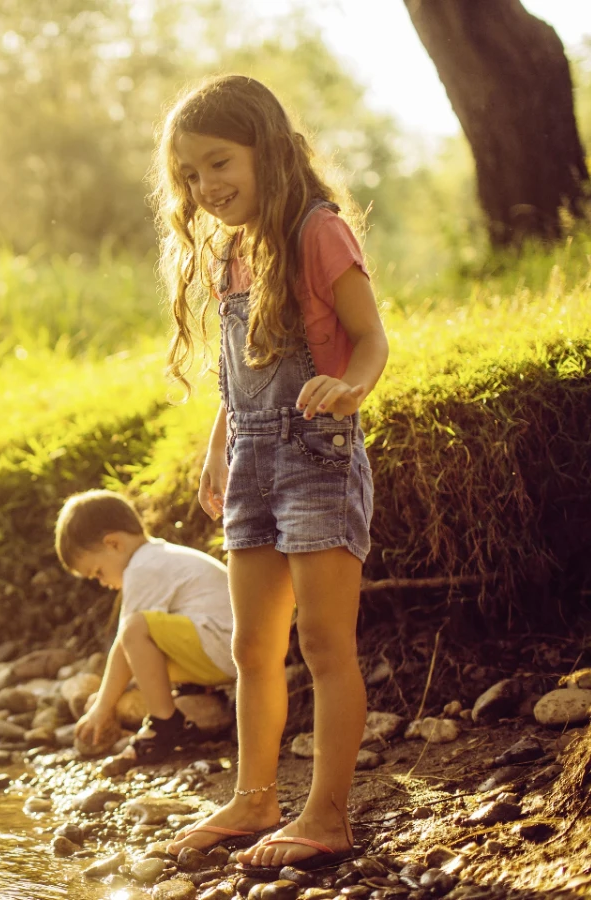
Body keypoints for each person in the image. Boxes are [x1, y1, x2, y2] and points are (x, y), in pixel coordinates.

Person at [153, 75, 389, 874]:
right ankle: (256, 797)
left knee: (324, 642)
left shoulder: (317, 232)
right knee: (255, 645)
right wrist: (221, 439)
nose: (206, 187)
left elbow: (370, 338)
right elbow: (239, 369)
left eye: (219, 163)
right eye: (189, 176)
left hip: (318, 457)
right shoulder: (230, 251)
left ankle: (327, 814)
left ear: (268, 149)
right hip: (252, 463)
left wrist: (352, 386)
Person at [55, 489, 236, 764]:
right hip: (229, 646)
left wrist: (103, 706)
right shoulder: (159, 556)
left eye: (98, 572)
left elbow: (125, 642)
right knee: (147, 640)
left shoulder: (143, 567)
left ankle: (165, 725)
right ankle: (195, 694)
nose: (101, 583)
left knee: (136, 629)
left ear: (113, 544)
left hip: (226, 648)